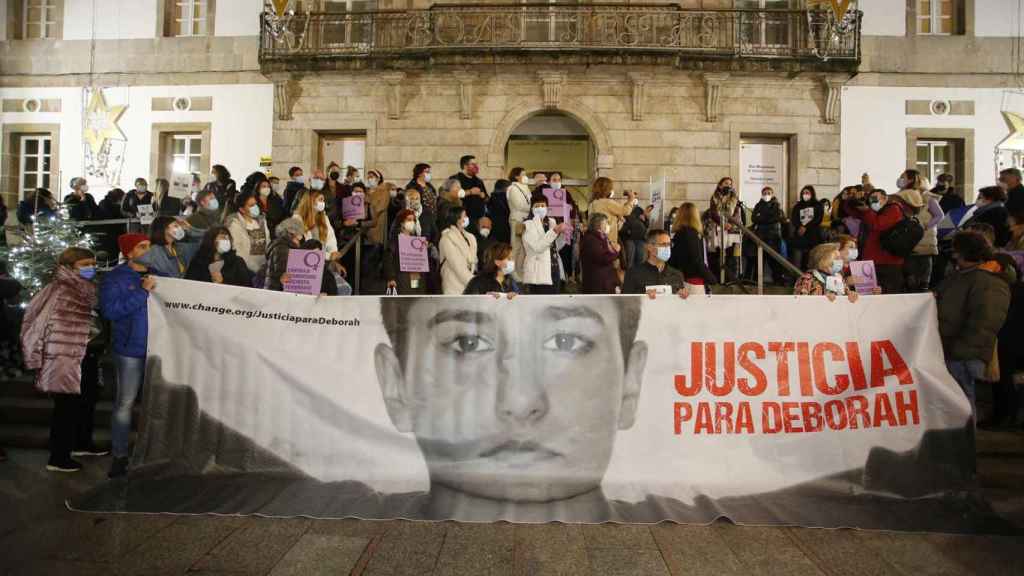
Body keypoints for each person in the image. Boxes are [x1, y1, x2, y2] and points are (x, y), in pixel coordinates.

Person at [374, 294, 646, 520]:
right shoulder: (338, 501)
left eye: (565, 341)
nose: (520, 401)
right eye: (468, 343)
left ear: (630, 381)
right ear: (396, 385)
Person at [20, 247, 104, 473]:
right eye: (85, 264)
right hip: (64, 358)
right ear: (69, 267)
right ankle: (58, 457)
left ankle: (81, 444)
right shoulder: (59, 290)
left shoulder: (83, 287)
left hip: (84, 354)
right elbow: (36, 324)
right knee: (66, 408)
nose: (91, 268)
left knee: (86, 401)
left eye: (92, 263)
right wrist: (37, 357)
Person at [936, 230, 1012, 420]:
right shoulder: (960, 277)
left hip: (964, 356)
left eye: (955, 250)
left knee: (963, 405)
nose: (953, 254)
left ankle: (965, 446)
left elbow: (986, 323)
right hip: (953, 352)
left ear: (963, 252)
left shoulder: (988, 282)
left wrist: (959, 350)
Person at [99, 234, 155, 478]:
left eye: (150, 246)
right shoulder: (115, 278)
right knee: (125, 404)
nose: (148, 250)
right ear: (129, 253)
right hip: (130, 350)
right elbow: (111, 311)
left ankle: (152, 453)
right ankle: (120, 455)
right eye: (142, 247)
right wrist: (142, 293)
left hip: (159, 349)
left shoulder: (162, 274)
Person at [846, 188, 908, 294]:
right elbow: (851, 211)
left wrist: (867, 210)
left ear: (885, 198)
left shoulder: (894, 209)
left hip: (887, 263)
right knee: (868, 294)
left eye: (875, 199)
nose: (872, 202)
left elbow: (878, 224)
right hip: (871, 261)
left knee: (885, 296)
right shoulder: (871, 211)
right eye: (870, 199)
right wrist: (853, 199)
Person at [895, 170, 944, 292]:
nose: (900, 179)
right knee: (910, 280)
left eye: (903, 177)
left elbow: (939, 215)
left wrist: (925, 226)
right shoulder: (900, 195)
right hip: (909, 242)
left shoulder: (927, 197)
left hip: (924, 242)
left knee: (923, 279)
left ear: (911, 180)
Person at [622, 229, 689, 299]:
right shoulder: (633, 273)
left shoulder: (677, 275)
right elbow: (624, 303)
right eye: (663, 244)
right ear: (650, 247)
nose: (667, 248)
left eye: (669, 244)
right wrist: (642, 297)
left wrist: (683, 296)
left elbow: (680, 306)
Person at [520, 194, 567, 294]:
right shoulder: (527, 225)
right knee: (540, 303)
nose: (540, 208)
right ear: (532, 209)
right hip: (538, 271)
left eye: (543, 205)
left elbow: (555, 246)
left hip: (554, 267)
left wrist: (563, 235)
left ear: (547, 207)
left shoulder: (552, 222)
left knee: (554, 303)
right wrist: (554, 231)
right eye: (537, 206)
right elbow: (538, 247)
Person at [185, 226, 255, 287]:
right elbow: (189, 284)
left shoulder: (237, 262)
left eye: (228, 238)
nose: (227, 240)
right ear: (211, 240)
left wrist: (223, 282)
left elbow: (246, 287)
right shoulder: (198, 261)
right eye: (223, 237)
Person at [136, 216, 203, 278]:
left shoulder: (180, 247)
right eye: (176, 226)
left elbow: (205, 240)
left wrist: (190, 230)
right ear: (164, 229)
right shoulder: (154, 251)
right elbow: (137, 262)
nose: (180, 228)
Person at [669, 202, 716, 289]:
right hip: (694, 280)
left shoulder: (679, 234)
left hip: (683, 278)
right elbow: (696, 259)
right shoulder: (691, 234)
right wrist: (710, 277)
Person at [385, 208, 431, 294]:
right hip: (402, 277)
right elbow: (388, 260)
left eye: (413, 220)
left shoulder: (417, 240)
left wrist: (425, 249)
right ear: (401, 222)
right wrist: (391, 277)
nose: (412, 222)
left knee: (416, 301)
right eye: (409, 220)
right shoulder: (395, 240)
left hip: (416, 277)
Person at [793, 242, 859, 302]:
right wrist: (823, 299)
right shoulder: (806, 279)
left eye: (840, 258)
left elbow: (845, 294)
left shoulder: (839, 277)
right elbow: (800, 303)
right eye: (836, 258)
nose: (840, 261)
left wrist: (851, 295)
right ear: (823, 260)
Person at [224, 190, 269, 274]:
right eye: (251, 205)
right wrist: (255, 269)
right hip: (245, 269)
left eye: (255, 204)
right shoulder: (234, 224)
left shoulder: (262, 221)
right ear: (242, 209)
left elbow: (268, 242)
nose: (255, 207)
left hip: (264, 268)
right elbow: (238, 251)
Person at [288, 190, 341, 261]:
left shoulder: (324, 217)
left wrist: (333, 251)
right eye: (320, 200)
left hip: (323, 261)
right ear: (311, 201)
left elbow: (330, 237)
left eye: (323, 200)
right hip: (304, 262)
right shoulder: (297, 220)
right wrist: (328, 256)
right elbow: (306, 247)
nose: (323, 203)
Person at [751, 187, 787, 285]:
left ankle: (778, 281)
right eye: (765, 193)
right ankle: (756, 282)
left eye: (769, 193)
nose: (767, 195)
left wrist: (762, 218)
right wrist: (768, 218)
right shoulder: (758, 205)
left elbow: (778, 217)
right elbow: (754, 218)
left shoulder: (777, 205)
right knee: (759, 261)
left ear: (772, 194)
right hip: (761, 237)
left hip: (774, 238)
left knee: (774, 261)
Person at [439, 206, 479, 295]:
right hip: (453, 283)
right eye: (464, 216)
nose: (466, 218)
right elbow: (456, 264)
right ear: (456, 218)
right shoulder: (447, 238)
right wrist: (473, 282)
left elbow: (473, 260)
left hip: (469, 283)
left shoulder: (470, 237)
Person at [580, 213, 621, 294]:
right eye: (606, 223)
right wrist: (616, 251)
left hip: (604, 281)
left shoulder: (601, 237)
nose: (607, 225)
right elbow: (603, 258)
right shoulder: (591, 239)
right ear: (599, 225)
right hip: (597, 284)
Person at [589, 177, 636, 246]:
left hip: (596, 240)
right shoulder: (607, 202)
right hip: (608, 240)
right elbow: (625, 211)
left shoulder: (593, 203)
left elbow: (618, 211)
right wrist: (631, 199)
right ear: (607, 189)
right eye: (611, 188)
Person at [264, 218, 306, 291]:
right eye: (299, 235)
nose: (300, 239)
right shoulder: (282, 249)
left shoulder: (282, 246)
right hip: (278, 294)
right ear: (291, 234)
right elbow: (282, 274)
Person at [788, 185, 825, 271]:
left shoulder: (818, 205)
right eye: (803, 193)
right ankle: (796, 277)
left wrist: (806, 227)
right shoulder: (798, 205)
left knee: (811, 260)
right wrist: (800, 227)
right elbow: (794, 218)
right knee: (797, 259)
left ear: (812, 194)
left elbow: (818, 219)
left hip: (813, 235)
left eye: (807, 193)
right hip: (800, 235)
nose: (805, 194)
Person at [506, 167, 533, 278]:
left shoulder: (526, 188)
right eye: (523, 174)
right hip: (517, 220)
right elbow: (519, 205)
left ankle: (520, 270)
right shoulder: (512, 188)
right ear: (516, 176)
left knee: (523, 248)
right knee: (515, 246)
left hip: (526, 219)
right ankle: (512, 271)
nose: (525, 176)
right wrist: (531, 207)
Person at [450, 155, 488, 226]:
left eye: (476, 164)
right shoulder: (455, 179)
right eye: (473, 164)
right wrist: (470, 192)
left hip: (479, 219)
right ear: (465, 166)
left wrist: (483, 196)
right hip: (463, 219)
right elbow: (452, 195)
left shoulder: (478, 181)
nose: (476, 167)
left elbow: (486, 198)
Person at [620, 206, 648, 270]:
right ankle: (630, 274)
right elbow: (621, 227)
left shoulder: (640, 213)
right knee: (631, 258)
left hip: (640, 239)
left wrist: (645, 220)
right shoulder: (625, 213)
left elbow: (646, 226)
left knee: (640, 258)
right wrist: (627, 231)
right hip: (629, 239)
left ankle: (637, 273)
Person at [488, 179, 512, 244]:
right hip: (505, 229)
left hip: (494, 231)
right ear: (506, 188)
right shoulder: (504, 197)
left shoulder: (492, 198)